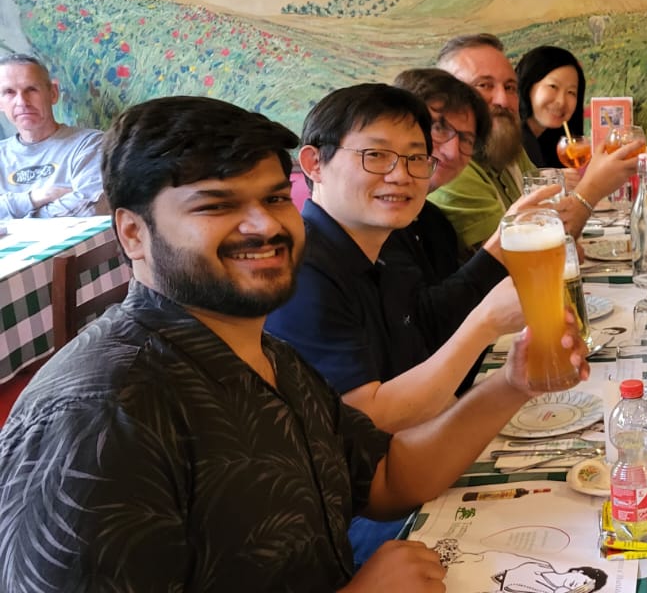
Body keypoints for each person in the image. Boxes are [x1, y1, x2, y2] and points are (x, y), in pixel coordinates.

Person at [0, 95, 588, 591]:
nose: (264, 225)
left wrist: (512, 384)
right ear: (132, 232)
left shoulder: (266, 354)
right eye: (216, 205)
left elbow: (388, 477)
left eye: (275, 198)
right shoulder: (97, 415)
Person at [266, 84, 524, 434]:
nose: (400, 175)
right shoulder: (300, 271)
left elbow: (422, 357)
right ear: (314, 164)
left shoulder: (383, 248)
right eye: (375, 155)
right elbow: (367, 421)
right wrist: (486, 324)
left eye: (415, 158)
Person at [433, 34, 639, 249]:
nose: (503, 100)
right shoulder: (451, 168)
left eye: (510, 87)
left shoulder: (508, 147)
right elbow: (519, 257)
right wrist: (593, 188)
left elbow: (556, 237)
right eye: (484, 85)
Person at [392, 67, 493, 282]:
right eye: (439, 128)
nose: (452, 151)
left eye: (466, 139)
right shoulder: (374, 220)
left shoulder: (437, 224)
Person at [0, 53, 104, 218]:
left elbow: (90, 209)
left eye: (31, 89)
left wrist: (11, 219)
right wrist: (35, 198)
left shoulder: (91, 144)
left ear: (53, 93)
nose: (22, 102)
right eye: (9, 92)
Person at [514, 45, 586, 169]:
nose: (561, 102)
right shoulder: (511, 141)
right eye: (553, 86)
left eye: (571, 92)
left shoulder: (552, 143)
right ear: (528, 86)